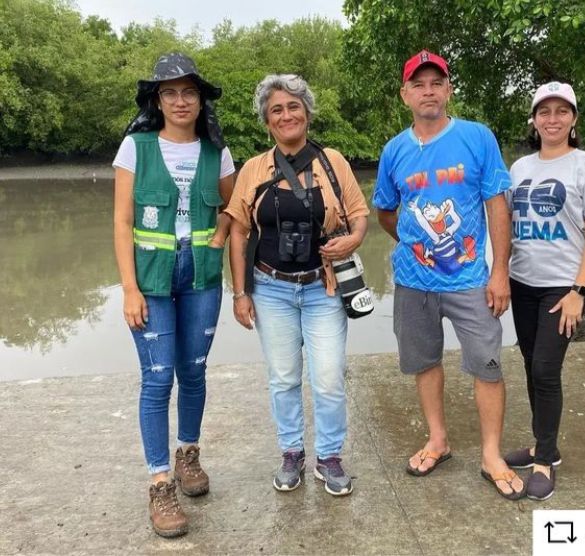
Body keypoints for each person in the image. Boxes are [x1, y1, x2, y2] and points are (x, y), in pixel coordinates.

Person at [372, 50, 524, 500]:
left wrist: (500, 272)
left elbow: (498, 203)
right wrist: (411, 243)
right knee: (424, 362)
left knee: (488, 366)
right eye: (418, 84)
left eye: (436, 82)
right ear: (405, 95)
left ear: (449, 89)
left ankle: (491, 455)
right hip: (413, 283)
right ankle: (438, 440)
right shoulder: (394, 150)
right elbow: (385, 210)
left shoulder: (477, 138)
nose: (428, 91)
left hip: (471, 280)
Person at [224, 74, 369, 497]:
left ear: (306, 112)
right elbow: (237, 232)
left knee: (327, 377)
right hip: (270, 288)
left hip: (322, 288)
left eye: (293, 107)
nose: (286, 115)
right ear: (267, 121)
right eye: (276, 110)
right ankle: (291, 453)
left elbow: (359, 213)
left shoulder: (333, 162)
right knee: (284, 377)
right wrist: (240, 293)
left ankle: (329, 456)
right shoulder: (253, 169)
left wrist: (356, 237)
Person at [113, 53, 235, 537]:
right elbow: (122, 222)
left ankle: (189, 454)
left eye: (189, 92)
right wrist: (128, 288)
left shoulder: (216, 151)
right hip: (151, 281)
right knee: (158, 378)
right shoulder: (135, 148)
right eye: (170, 93)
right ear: (157, 101)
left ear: (200, 100)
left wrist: (223, 232)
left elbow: (236, 206)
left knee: (194, 371)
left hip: (203, 276)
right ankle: (160, 482)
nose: (180, 101)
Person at [504, 82, 585, 500]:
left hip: (562, 288)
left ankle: (544, 460)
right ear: (534, 120)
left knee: (547, 370)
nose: (552, 119)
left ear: (574, 119)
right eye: (543, 111)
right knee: (532, 364)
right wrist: (497, 277)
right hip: (522, 283)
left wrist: (579, 290)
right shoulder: (519, 168)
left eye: (561, 111)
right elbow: (507, 228)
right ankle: (541, 444)